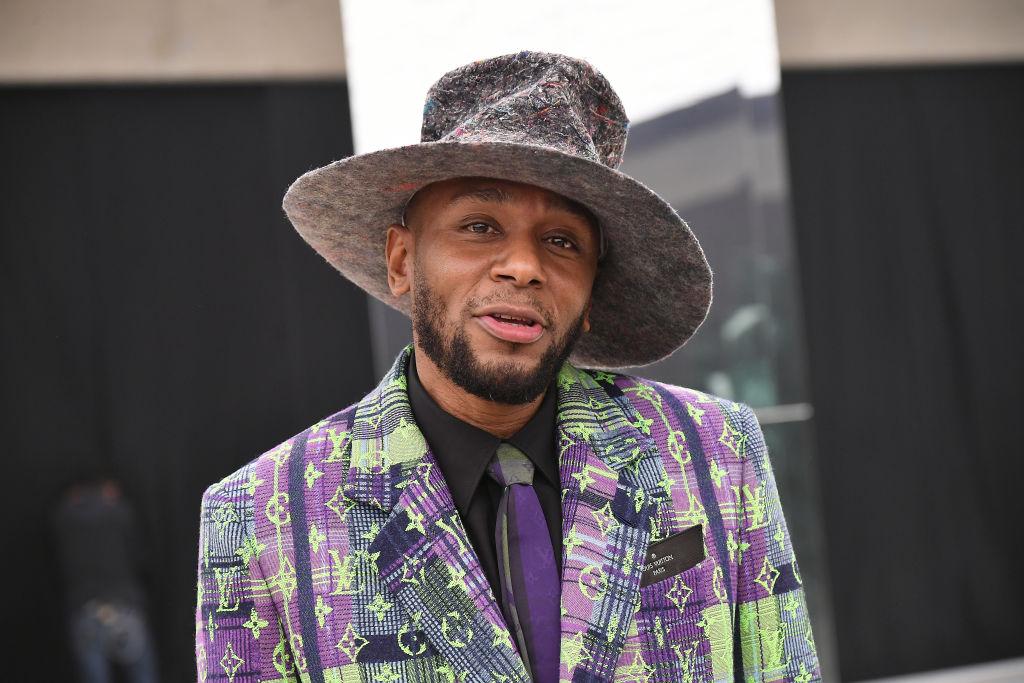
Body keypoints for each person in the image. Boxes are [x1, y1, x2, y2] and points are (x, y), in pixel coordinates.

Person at [194, 50, 820, 683]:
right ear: (403, 261)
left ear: (591, 297)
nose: (523, 266)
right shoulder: (257, 514)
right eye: (480, 225)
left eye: (561, 241)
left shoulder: (715, 451)